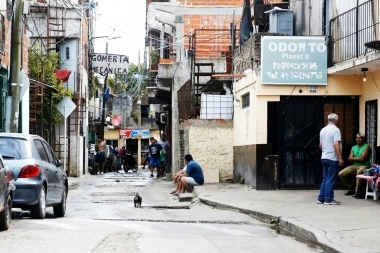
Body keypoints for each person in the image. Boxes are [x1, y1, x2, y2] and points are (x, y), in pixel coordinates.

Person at [317, 113, 344, 205]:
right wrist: (340, 157)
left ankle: (321, 198)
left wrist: (325, 151)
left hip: (324, 156)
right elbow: (336, 144)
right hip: (332, 158)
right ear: (336, 120)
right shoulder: (336, 130)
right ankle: (328, 199)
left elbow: (320, 145)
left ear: (328, 119)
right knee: (331, 179)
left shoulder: (323, 130)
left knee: (325, 179)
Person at [338, 133, 371, 198]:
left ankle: (357, 191)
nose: (358, 139)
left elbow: (362, 159)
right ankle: (352, 188)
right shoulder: (353, 147)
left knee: (359, 172)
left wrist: (353, 158)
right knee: (341, 174)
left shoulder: (367, 146)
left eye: (360, 138)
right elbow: (349, 160)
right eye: (357, 138)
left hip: (364, 165)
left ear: (363, 139)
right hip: (354, 165)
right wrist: (354, 158)